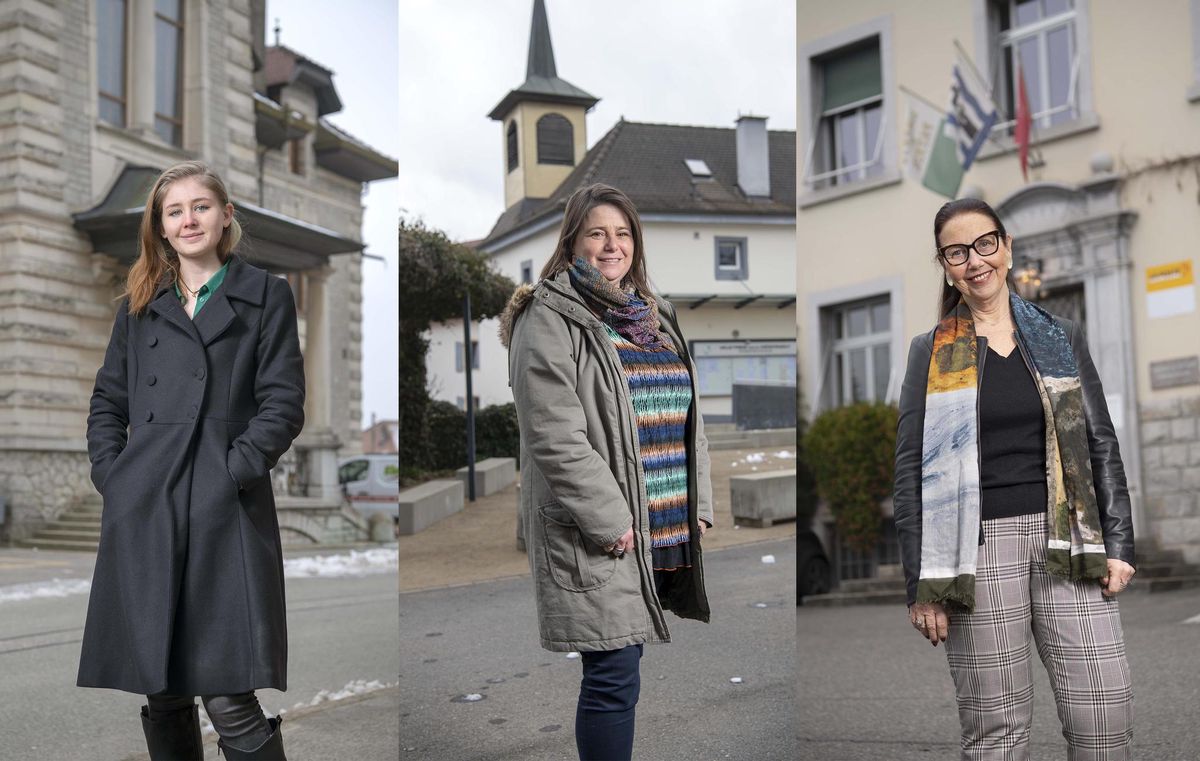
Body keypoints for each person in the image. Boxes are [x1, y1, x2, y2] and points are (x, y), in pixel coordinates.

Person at [78, 161, 305, 760]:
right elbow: (108, 400)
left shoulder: (266, 294)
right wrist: (114, 476)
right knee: (163, 688)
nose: (188, 219)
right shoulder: (138, 302)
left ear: (226, 215)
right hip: (146, 505)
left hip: (224, 506)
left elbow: (282, 403)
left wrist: (233, 472)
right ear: (159, 225)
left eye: (200, 206)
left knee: (229, 694)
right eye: (173, 210)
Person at [893, 198, 1136, 760]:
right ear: (946, 264)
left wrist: (1119, 543)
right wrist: (920, 584)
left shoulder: (1060, 335)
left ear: (1005, 246)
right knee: (996, 730)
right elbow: (909, 470)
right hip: (974, 554)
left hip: (1069, 539)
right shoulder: (928, 352)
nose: (974, 260)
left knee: (1105, 709)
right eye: (956, 252)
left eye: (983, 244)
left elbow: (1100, 440)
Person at [499, 183, 713, 761]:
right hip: (601, 526)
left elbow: (690, 416)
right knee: (613, 674)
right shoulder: (546, 316)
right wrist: (607, 517)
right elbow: (552, 434)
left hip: (658, 518)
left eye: (622, 233)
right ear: (573, 240)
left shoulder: (654, 316)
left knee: (625, 665)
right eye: (597, 232)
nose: (611, 244)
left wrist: (698, 505)